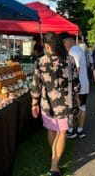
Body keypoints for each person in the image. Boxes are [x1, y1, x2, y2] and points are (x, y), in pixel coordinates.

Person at [31, 32, 79, 176]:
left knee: (52, 130)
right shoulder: (69, 60)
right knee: (62, 132)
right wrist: (77, 97)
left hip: (47, 103)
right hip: (66, 102)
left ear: (46, 46)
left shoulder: (41, 61)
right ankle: (54, 164)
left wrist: (34, 102)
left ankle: (54, 161)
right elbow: (76, 82)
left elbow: (35, 85)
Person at [60, 32, 89, 139]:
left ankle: (75, 130)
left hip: (79, 85)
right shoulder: (77, 49)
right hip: (82, 84)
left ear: (69, 41)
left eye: (64, 42)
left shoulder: (73, 51)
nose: (63, 45)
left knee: (78, 107)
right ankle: (76, 129)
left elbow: (77, 69)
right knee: (80, 107)